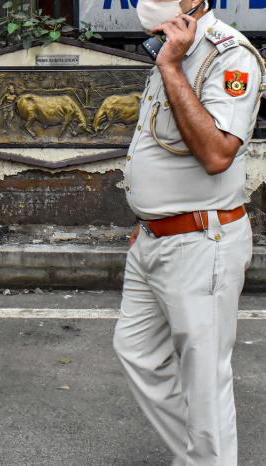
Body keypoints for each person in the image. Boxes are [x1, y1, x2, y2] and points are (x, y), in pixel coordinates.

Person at [113, 0, 265, 464]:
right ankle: (201, 457)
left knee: (204, 377)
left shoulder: (230, 56)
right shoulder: (171, 50)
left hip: (201, 240)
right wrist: (148, 222)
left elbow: (218, 154)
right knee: (135, 350)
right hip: (154, 238)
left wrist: (172, 66)